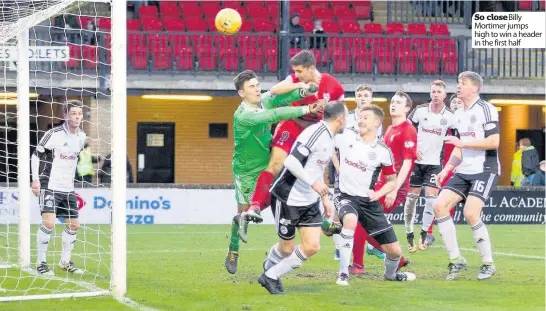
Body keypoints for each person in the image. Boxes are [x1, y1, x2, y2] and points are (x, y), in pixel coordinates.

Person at [225, 70, 320, 274]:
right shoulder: (243, 115)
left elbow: (283, 97)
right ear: (241, 93)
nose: (257, 88)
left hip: (269, 163)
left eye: (258, 84)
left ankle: (322, 222)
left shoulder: (263, 100)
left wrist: (304, 92)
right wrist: (307, 109)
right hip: (246, 171)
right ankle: (233, 248)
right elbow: (275, 115)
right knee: (243, 214)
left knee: (282, 194)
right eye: (251, 86)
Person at [240, 50, 344, 233]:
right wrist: (300, 85)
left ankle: (323, 220)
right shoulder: (295, 80)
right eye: (295, 71)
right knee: (277, 164)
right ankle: (255, 206)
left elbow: (341, 108)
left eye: (300, 71)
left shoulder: (331, 83)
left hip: (314, 131)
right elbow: (274, 90)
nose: (296, 74)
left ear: (311, 68)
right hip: (292, 125)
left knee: (314, 172)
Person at [258, 101, 347, 295]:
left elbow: (315, 169)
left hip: (309, 201)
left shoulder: (330, 138)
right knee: (286, 249)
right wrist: (314, 184)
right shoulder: (315, 133)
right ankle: (270, 269)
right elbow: (291, 162)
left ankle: (270, 276)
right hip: (287, 197)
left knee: (313, 246)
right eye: (346, 118)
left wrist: (323, 198)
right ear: (340, 119)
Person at [334, 104, 416, 285]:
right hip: (345, 195)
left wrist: (379, 193)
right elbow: (327, 143)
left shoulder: (382, 151)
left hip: (368, 202)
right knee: (350, 221)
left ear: (377, 122)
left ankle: (391, 275)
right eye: (359, 117)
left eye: (365, 118)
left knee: (395, 252)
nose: (360, 120)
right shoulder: (346, 136)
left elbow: (392, 181)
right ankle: (343, 274)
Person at [434, 71, 499, 280]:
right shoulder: (459, 114)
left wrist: (463, 143)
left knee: (471, 213)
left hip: (485, 168)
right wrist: (446, 170)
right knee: (439, 206)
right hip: (463, 171)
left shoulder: (486, 109)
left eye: (463, 83)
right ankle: (456, 260)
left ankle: (488, 263)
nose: (459, 86)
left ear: (475, 87)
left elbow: (494, 142)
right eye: (459, 83)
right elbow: (458, 148)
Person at [31, 100, 87, 276]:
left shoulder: (82, 137)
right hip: (50, 184)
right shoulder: (53, 134)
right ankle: (41, 263)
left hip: (68, 188)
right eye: (73, 113)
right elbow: (36, 155)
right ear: (66, 115)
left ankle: (65, 262)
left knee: (74, 226)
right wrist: (35, 180)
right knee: (49, 222)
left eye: (79, 113)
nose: (77, 117)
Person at [331, 85, 384, 267]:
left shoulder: (376, 121)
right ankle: (340, 247)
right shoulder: (348, 118)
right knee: (339, 212)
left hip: (365, 174)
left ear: (371, 98)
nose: (362, 98)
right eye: (359, 95)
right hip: (345, 172)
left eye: (366, 96)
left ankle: (366, 246)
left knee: (362, 214)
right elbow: (333, 144)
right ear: (355, 98)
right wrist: (338, 167)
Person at [403, 80, 457, 252]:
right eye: (433, 91)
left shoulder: (449, 116)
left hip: (434, 163)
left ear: (444, 95)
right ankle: (409, 233)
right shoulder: (419, 111)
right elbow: (406, 130)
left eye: (438, 92)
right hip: (416, 162)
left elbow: (458, 138)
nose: (435, 95)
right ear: (430, 94)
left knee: (431, 199)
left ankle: (424, 234)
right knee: (412, 198)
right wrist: (412, 149)